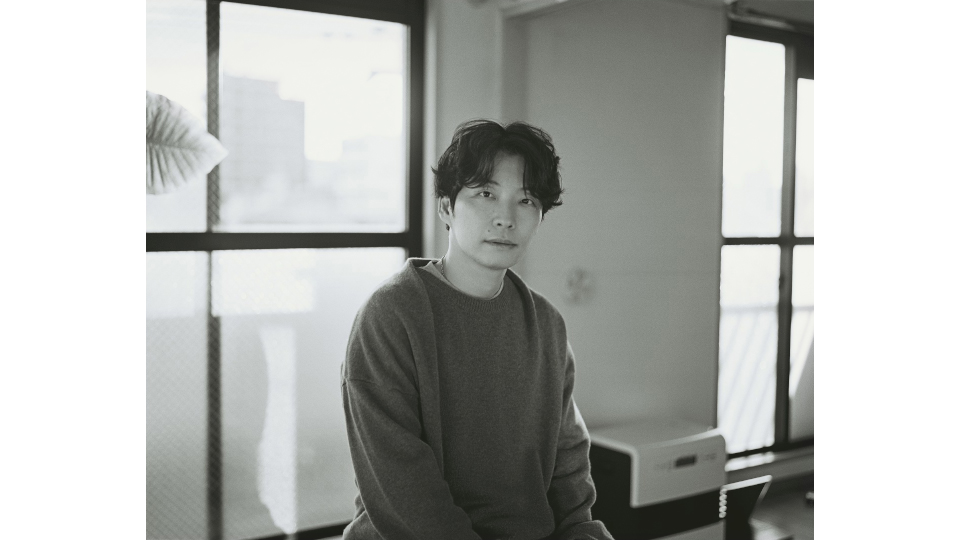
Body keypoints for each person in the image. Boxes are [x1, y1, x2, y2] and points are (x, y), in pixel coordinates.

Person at [340, 119, 613, 540]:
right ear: (446, 207)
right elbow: (402, 489)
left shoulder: (546, 324)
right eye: (486, 193)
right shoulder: (392, 316)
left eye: (526, 200)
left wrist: (583, 531)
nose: (505, 218)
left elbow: (568, 459)